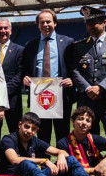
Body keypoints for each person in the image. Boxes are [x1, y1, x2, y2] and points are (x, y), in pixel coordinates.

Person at [70, 6, 106, 138]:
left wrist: (101, 87)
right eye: (88, 23)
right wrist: (88, 88)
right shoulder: (79, 46)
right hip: (86, 99)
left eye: (94, 22)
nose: (91, 26)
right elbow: (74, 70)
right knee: (86, 138)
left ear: (104, 22)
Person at [21, 9, 76, 143]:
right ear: (38, 25)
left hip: (61, 95)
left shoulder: (68, 42)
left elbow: (75, 67)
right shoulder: (30, 45)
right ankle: (43, 162)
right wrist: (25, 78)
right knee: (42, 134)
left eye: (48, 22)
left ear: (55, 23)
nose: (45, 25)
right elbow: (24, 69)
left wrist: (72, 80)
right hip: (39, 95)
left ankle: (62, 162)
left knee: (62, 134)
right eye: (42, 22)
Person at [0, 18, 24, 135]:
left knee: (16, 133)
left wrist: (2, 91)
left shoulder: (20, 50)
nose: (3, 30)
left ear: (11, 31)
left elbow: (20, 75)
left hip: (13, 100)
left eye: (6, 28)